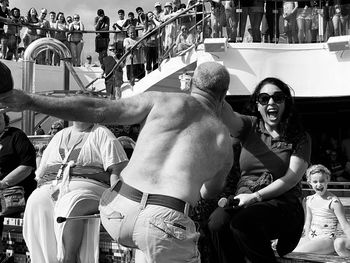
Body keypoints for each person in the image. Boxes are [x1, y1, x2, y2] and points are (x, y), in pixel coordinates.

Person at [0, 61, 234, 263]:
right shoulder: (223, 140)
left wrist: (29, 100)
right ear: (223, 97)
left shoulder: (163, 101)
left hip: (117, 208)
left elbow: (98, 109)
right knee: (160, 234)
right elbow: (208, 191)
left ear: (191, 82)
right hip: (164, 221)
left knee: (149, 237)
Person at [208, 77, 311, 263]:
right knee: (217, 223)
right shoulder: (250, 126)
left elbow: (291, 179)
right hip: (245, 200)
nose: (271, 102)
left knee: (243, 223)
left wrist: (255, 197)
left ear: (286, 102)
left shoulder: (299, 136)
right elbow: (227, 114)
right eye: (264, 99)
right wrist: (210, 90)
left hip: (284, 204)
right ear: (257, 105)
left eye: (277, 97)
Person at [23, 121, 129, 263]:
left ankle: (69, 258)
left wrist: (117, 201)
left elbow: (118, 170)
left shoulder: (102, 133)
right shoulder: (59, 135)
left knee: (71, 201)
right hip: (56, 186)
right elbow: (41, 173)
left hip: (94, 191)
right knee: (36, 201)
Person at [293, 164, 350, 255]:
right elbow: (307, 223)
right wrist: (305, 239)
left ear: (328, 180)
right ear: (309, 182)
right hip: (312, 238)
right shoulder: (308, 200)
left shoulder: (333, 202)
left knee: (297, 253)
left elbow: (345, 225)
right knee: (287, 250)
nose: (319, 184)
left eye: (322, 181)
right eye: (315, 181)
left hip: (327, 240)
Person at [0, 112, 37, 249]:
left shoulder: (16, 136)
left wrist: (2, 184)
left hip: (14, 192)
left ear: (5, 119)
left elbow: (27, 166)